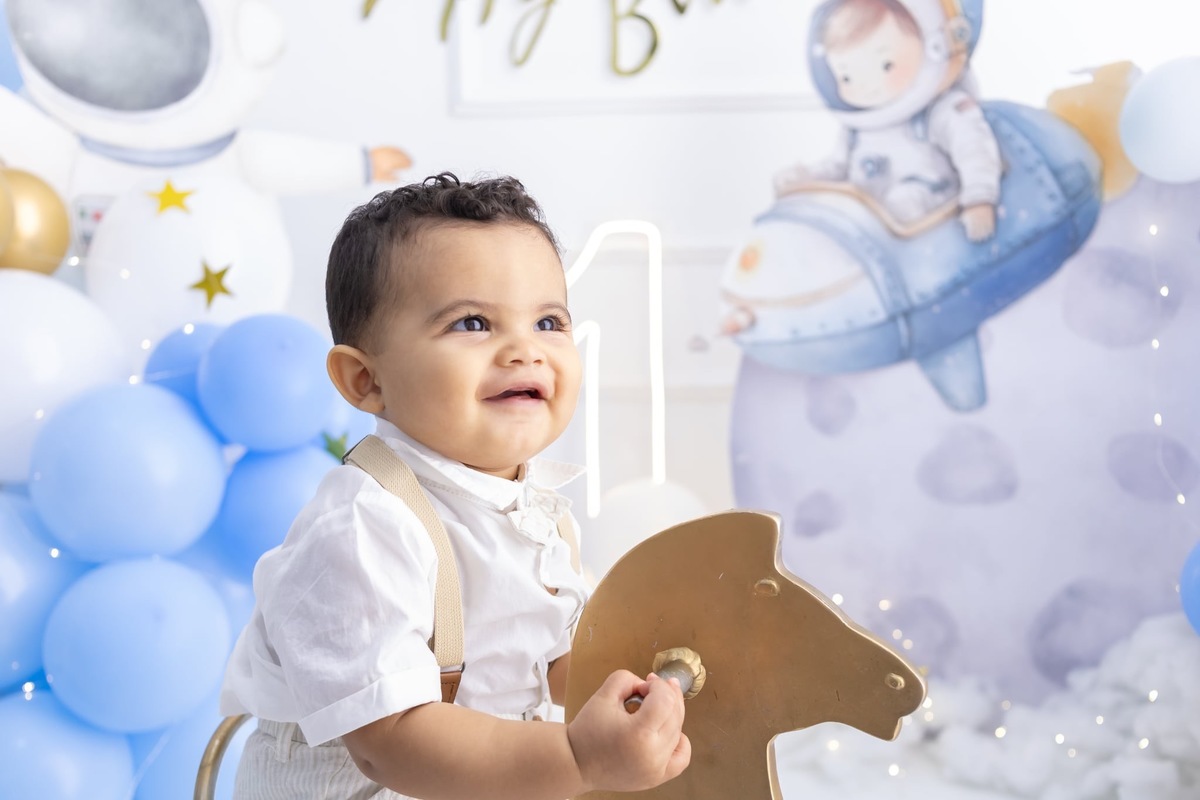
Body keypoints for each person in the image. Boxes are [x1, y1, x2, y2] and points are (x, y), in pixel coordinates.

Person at [219, 172, 691, 799]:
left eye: (550, 321)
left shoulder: (535, 513)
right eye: (473, 324)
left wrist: (635, 687)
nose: (526, 350)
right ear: (365, 381)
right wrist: (578, 759)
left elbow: (549, 660)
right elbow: (393, 744)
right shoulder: (364, 526)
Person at [774, 0, 1002, 242]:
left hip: (927, 217)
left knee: (902, 202)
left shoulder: (941, 111)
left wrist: (979, 199)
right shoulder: (858, 128)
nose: (867, 86)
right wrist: (807, 178)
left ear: (933, 46)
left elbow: (974, 151)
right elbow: (839, 166)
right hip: (866, 224)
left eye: (886, 65)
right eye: (847, 77)